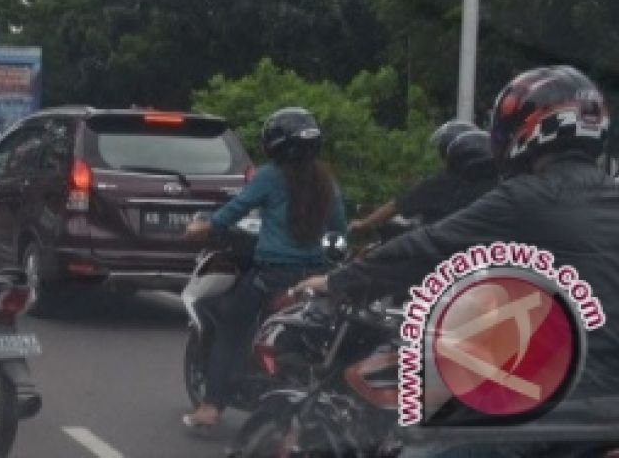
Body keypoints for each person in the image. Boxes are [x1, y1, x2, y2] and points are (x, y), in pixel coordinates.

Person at [292, 66, 619, 453]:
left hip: (555, 406)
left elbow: (428, 247)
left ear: (528, 129)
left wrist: (335, 282)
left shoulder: (525, 198)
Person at [181, 107, 347, 429]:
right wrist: (329, 262)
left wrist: (205, 226)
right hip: (316, 279)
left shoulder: (271, 175)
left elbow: (236, 209)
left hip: (272, 277)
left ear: (275, 144)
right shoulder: (326, 180)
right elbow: (339, 229)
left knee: (229, 323)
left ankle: (212, 405)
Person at [349, 120, 479, 235]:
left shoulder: (439, 185)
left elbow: (395, 206)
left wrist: (363, 224)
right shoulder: (490, 185)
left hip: (439, 254)